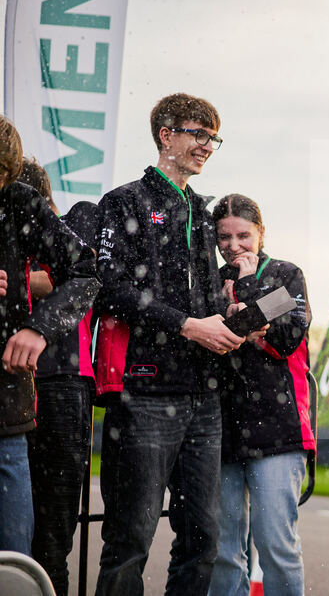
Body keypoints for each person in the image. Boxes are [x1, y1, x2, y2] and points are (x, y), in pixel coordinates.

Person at [92, 93, 245, 596]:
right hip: (146, 394)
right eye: (199, 135)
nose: (207, 147)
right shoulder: (124, 202)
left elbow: (203, 302)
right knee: (130, 539)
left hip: (204, 396)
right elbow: (111, 290)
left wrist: (229, 314)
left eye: (213, 138)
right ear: (167, 135)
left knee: (203, 539)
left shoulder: (203, 214)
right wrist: (186, 324)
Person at [0, 115, 99, 555]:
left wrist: (37, 328)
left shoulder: (18, 203)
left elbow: (85, 271)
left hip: (8, 408)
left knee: (19, 558)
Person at [208, 194, 314, 596]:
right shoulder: (210, 278)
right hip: (221, 427)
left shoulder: (286, 274)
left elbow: (286, 338)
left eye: (243, 235)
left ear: (261, 233)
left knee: (275, 545)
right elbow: (214, 340)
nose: (234, 246)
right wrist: (251, 324)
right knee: (223, 550)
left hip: (278, 426)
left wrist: (249, 296)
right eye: (224, 237)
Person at [17, 158, 99, 595]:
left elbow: (71, 276)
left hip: (62, 381)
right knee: (21, 530)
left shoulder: (72, 223)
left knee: (51, 538)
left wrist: (16, 280)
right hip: (16, 384)